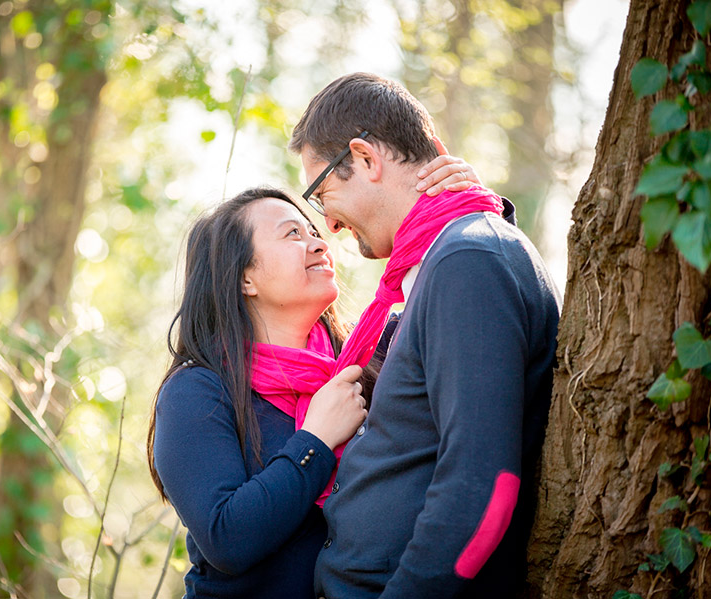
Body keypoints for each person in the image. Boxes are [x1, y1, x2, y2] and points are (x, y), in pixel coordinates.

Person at [148, 160, 479, 598]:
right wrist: (315, 441)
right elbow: (226, 539)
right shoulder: (198, 391)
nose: (319, 244)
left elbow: (466, 318)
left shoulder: (363, 363)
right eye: (292, 234)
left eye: (313, 232)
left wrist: (474, 211)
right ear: (244, 277)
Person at [288, 72, 561, 598]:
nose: (331, 225)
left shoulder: (469, 259)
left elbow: (483, 489)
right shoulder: (439, 264)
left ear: (366, 159)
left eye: (323, 193)